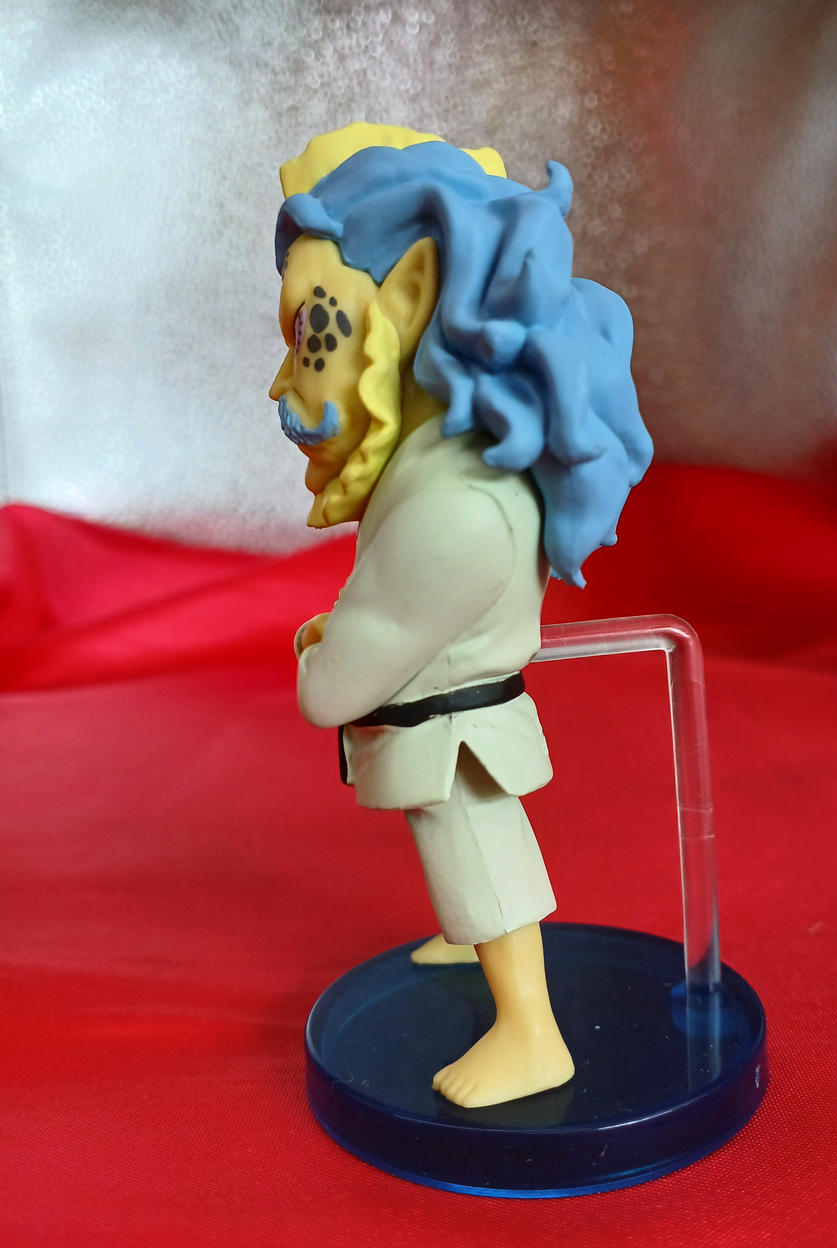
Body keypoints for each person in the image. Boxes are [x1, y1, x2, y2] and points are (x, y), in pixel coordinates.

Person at [268, 123, 652, 1108]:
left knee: (479, 849)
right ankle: (469, 938)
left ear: (406, 296)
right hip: (437, 712)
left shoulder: (458, 506)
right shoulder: (445, 465)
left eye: (309, 332)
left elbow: (341, 683)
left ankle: (532, 1034)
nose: (285, 378)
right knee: (460, 859)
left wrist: (318, 658)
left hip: (453, 730)